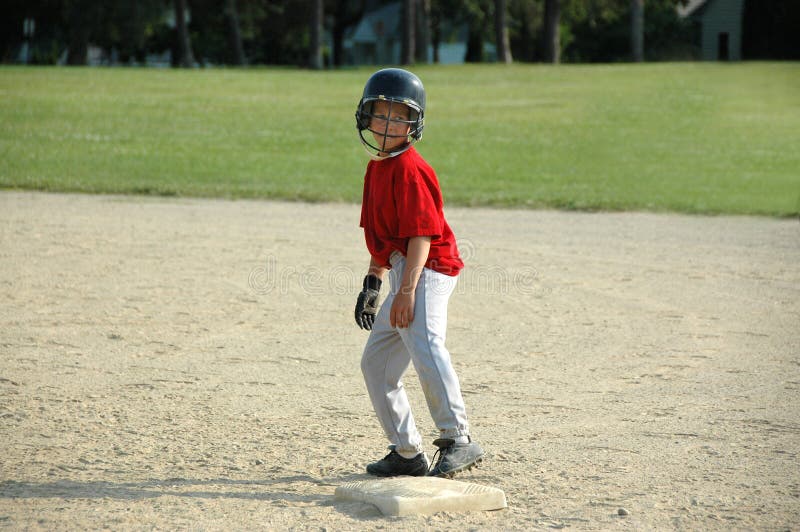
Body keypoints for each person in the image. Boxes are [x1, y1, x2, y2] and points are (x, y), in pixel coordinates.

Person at [353, 68, 484, 478]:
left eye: (400, 115)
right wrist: (374, 282)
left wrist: (406, 291)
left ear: (414, 123)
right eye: (382, 113)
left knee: (425, 344)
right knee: (376, 364)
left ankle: (459, 438)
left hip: (428, 268)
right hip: (405, 269)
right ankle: (407, 451)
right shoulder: (378, 168)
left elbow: (421, 236)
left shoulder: (409, 168)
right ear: (366, 116)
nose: (389, 122)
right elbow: (386, 238)